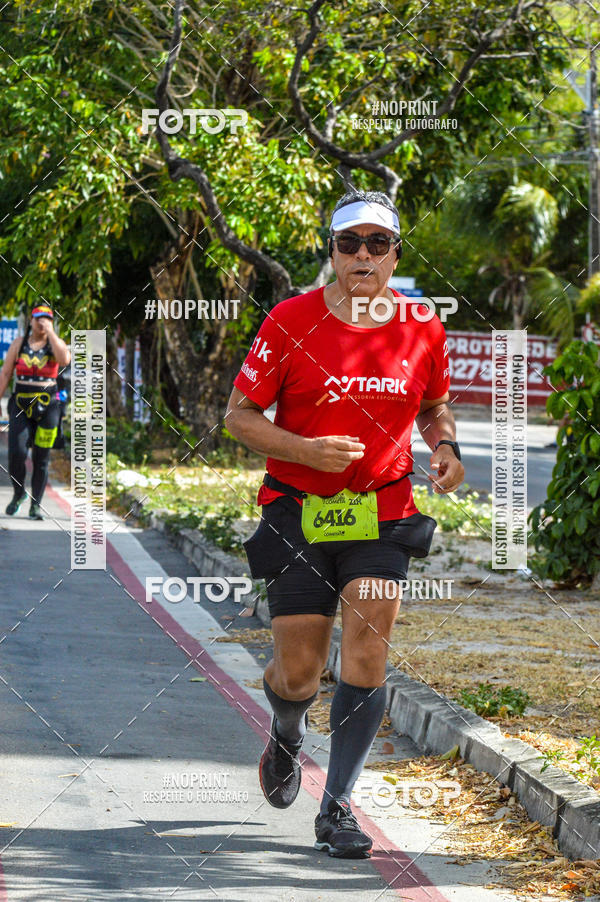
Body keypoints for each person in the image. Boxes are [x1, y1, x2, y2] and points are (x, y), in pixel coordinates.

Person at [226, 190, 464, 859]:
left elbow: (435, 406)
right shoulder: (290, 320)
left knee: (367, 652)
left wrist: (445, 447)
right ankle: (286, 730)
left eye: (377, 244)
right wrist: (305, 449)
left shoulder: (422, 326)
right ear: (330, 250)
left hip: (383, 510)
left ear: (395, 254)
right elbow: (239, 415)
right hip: (297, 510)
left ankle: (336, 808)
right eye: (349, 243)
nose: (363, 256)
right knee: (299, 673)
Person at [0, 305, 70, 520]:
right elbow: (5, 374)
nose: (41, 322)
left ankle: (35, 506)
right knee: (16, 454)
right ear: (31, 320)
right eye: (38, 318)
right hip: (20, 405)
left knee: (41, 458)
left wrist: (51, 333)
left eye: (46, 319)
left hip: (48, 407)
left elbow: (64, 360)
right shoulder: (18, 344)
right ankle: (19, 493)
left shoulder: (55, 344)